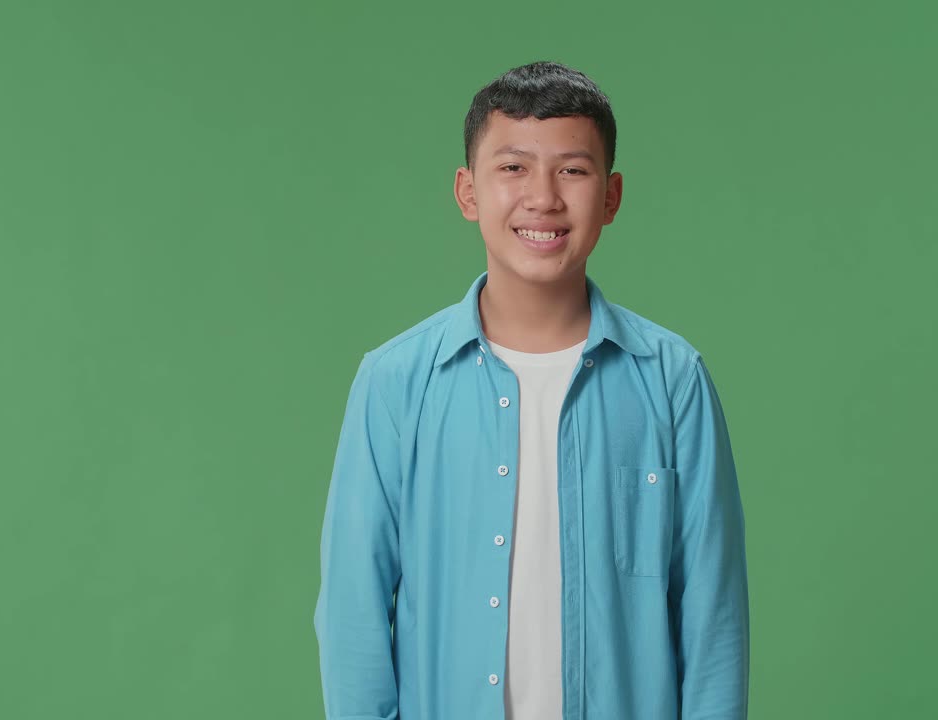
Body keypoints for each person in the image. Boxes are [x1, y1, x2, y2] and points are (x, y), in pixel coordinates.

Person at [314, 60, 749, 720]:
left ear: (611, 196)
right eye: (513, 167)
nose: (543, 197)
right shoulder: (395, 383)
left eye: (572, 170)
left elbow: (713, 616)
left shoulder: (672, 379)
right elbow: (355, 614)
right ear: (467, 192)